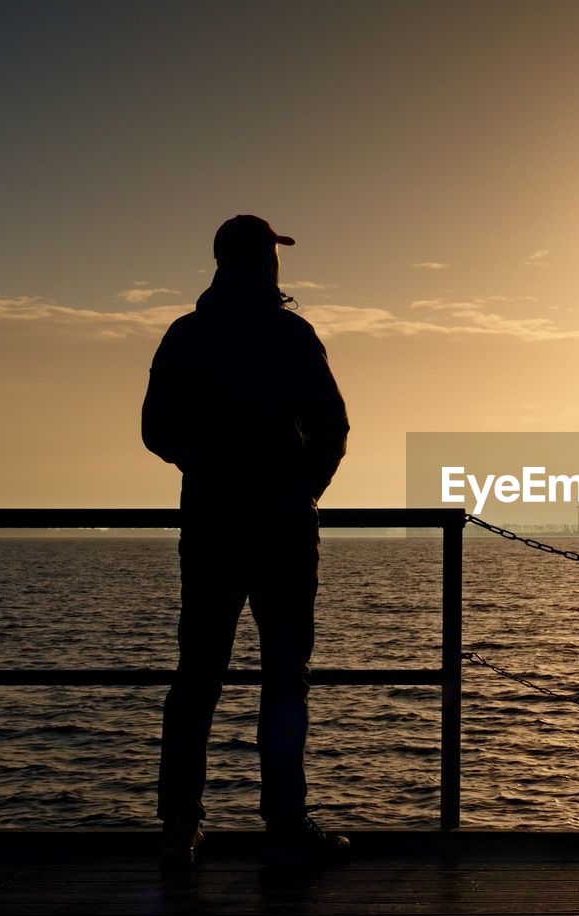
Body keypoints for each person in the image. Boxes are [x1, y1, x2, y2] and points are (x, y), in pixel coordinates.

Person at [142, 215, 351, 870]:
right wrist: (302, 488)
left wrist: (202, 463)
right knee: (284, 679)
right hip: (283, 528)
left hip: (210, 523)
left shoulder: (188, 336)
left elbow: (155, 429)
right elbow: (334, 427)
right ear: (265, 263)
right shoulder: (290, 336)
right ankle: (284, 824)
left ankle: (181, 825)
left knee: (198, 674)